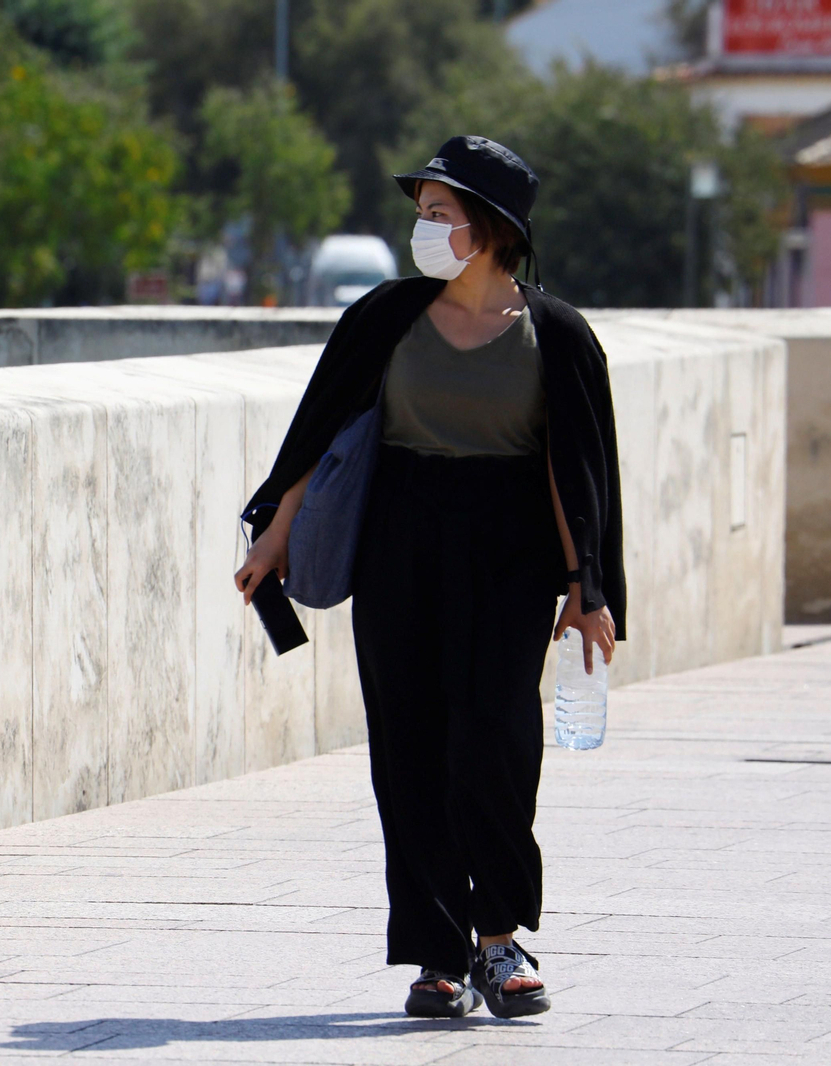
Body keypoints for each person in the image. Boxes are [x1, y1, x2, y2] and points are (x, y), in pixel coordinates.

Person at [233, 136, 623, 1020]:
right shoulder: (383, 317)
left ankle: (498, 937)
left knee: (495, 743)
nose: (425, 228)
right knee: (408, 749)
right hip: (400, 543)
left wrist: (585, 586)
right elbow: (320, 440)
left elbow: (575, 469)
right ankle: (437, 956)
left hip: (511, 553)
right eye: (422, 214)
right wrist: (274, 536)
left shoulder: (553, 333)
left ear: (490, 230)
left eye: (441, 215)